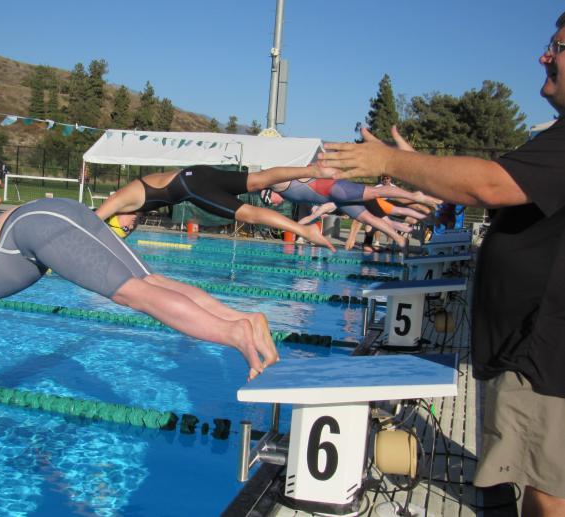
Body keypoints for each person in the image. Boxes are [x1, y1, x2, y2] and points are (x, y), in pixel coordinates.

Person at [317, 12, 565, 516]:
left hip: (542, 350)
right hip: (526, 344)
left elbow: (489, 184)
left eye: (558, 46)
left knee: (546, 487)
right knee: (533, 476)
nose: (545, 55)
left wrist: (389, 161)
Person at [0, 197, 279, 381]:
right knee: (152, 283)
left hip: (42, 224)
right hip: (59, 218)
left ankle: (233, 336)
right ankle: (242, 320)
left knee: (132, 294)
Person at [95, 164, 337, 250]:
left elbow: (90, 220)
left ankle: (305, 231)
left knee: (250, 215)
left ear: (115, 218)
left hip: (191, 186)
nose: (131, 228)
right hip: (196, 173)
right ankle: (313, 171)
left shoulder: (118, 201)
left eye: (124, 230)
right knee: (258, 179)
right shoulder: (132, 203)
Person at [266, 177, 440, 249]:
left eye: (269, 200)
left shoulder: (280, 184)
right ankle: (398, 238)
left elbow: (304, 174)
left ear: (270, 192)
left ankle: (414, 195)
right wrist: (296, 228)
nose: (273, 204)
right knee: (369, 219)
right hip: (336, 200)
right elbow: (313, 215)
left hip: (334, 188)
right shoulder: (287, 195)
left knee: (377, 194)